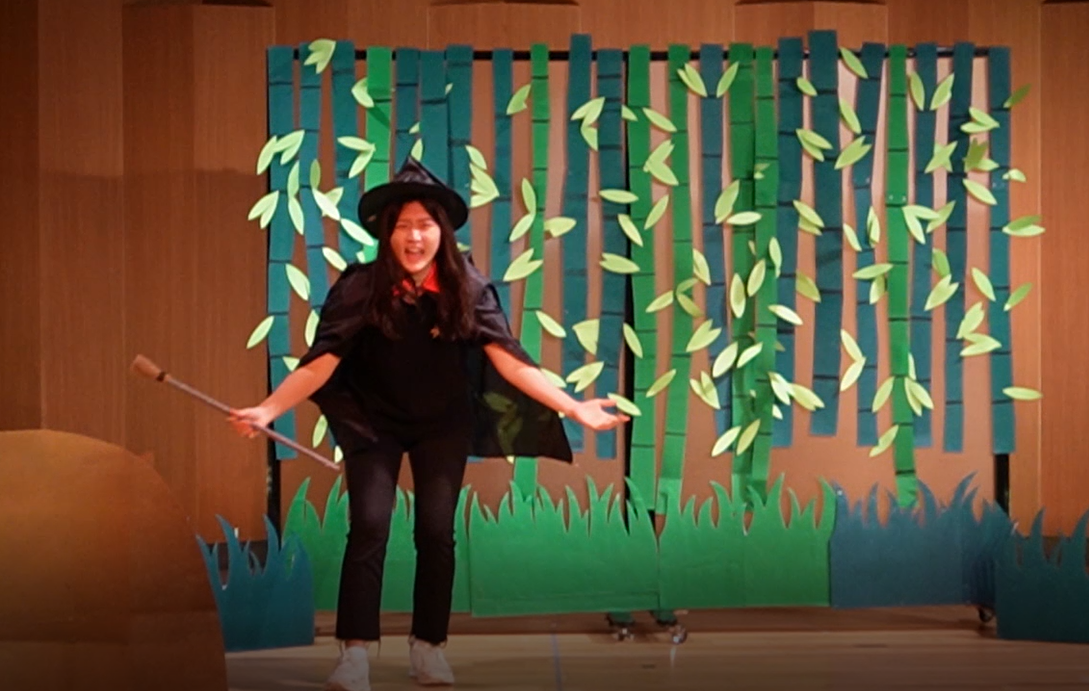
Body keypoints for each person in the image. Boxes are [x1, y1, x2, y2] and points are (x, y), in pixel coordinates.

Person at [228, 158, 628, 691]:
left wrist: (572, 407)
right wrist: (268, 409)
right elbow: (321, 362)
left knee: (436, 531)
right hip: (374, 423)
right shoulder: (361, 287)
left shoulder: (468, 287)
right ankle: (354, 654)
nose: (414, 237)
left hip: (443, 423)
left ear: (442, 231)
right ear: (386, 233)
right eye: (403, 226)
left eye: (425, 225)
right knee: (369, 525)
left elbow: (510, 360)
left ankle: (429, 647)